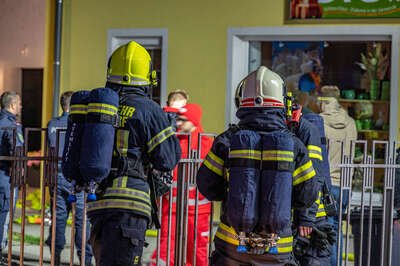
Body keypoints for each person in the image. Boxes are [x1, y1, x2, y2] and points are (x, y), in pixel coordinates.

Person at [196, 66, 319, 265]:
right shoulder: (294, 145)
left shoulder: (226, 141)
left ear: (242, 101)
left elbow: (207, 186)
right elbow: (308, 195)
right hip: (277, 249)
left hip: (231, 247)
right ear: (281, 103)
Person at [87, 40, 181, 266]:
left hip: (99, 200)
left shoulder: (99, 105)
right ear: (147, 75)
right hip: (131, 204)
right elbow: (168, 159)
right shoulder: (149, 109)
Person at [151, 103, 213, 266]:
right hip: (171, 208)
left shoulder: (206, 144)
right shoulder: (173, 142)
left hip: (198, 211)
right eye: (178, 119)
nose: (178, 123)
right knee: (167, 247)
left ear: (194, 122)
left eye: (183, 120)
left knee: (197, 250)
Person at [45, 91, 93, 266]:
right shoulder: (80, 124)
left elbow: (49, 152)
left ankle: (55, 258)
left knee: (58, 219)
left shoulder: (53, 124)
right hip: (76, 177)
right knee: (81, 221)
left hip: (58, 176)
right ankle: (85, 261)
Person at [288, 103, 335, 266]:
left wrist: (306, 218)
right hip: (308, 213)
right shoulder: (303, 129)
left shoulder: (306, 130)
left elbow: (314, 177)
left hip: (311, 216)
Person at [316, 85, 357, 266]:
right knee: (337, 229)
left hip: (326, 185)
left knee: (323, 231)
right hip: (345, 185)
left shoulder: (319, 122)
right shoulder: (351, 123)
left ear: (323, 101)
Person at [0, 91, 23, 265]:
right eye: (19, 104)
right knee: (4, 214)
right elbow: (17, 150)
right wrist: (20, 171)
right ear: (13, 105)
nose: (21, 107)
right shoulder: (12, 125)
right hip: (5, 177)